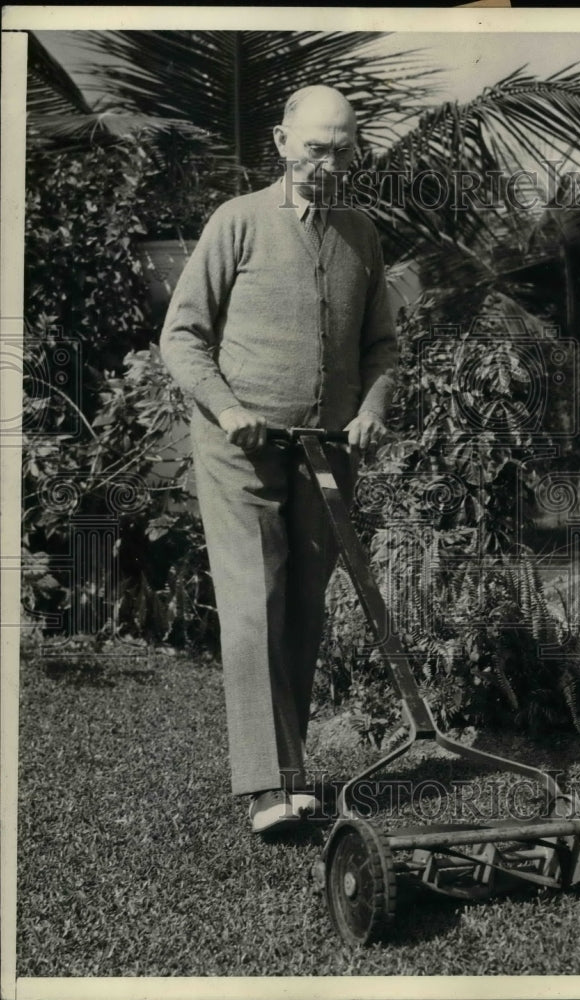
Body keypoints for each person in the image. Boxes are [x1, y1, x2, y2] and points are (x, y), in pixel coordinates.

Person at [159, 85, 397, 833]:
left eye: (343, 150)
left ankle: (293, 776)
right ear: (283, 142)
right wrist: (227, 408)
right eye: (316, 148)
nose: (328, 164)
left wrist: (371, 410)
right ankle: (267, 786)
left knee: (301, 608)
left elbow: (383, 346)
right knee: (253, 602)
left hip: (327, 453)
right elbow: (182, 336)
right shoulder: (236, 222)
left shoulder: (361, 233)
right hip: (240, 447)